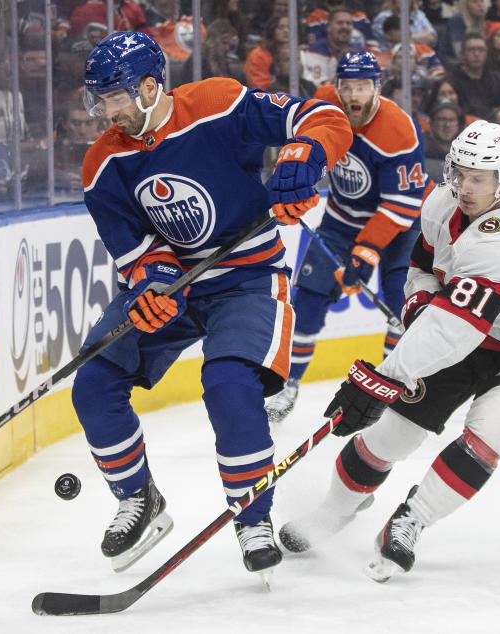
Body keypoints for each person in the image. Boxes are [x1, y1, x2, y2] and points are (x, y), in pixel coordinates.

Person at [74, 31, 352, 576]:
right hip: (180, 283)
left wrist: (306, 152)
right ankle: (138, 499)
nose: (108, 111)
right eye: (100, 100)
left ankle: (253, 518)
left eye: (117, 97)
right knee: (94, 382)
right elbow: (138, 250)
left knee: (229, 386)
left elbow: (319, 116)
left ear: (151, 86)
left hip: (248, 276)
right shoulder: (102, 164)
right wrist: (153, 283)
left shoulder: (218, 104)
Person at [278, 120, 500, 584]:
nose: (462, 185)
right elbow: (422, 266)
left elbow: (454, 330)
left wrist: (381, 378)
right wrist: (418, 299)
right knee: (390, 435)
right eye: (457, 172)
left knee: (493, 428)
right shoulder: (442, 202)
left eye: (477, 178)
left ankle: (412, 519)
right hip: (472, 330)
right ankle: (332, 511)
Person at [265, 52, 427, 424]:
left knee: (403, 307)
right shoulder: (324, 105)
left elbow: (402, 203)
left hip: (401, 225)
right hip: (341, 219)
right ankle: (287, 385)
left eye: (363, 87)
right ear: (337, 86)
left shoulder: (398, 129)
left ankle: (392, 387)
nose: (354, 96)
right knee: (305, 304)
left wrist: (366, 252)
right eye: (347, 87)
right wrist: (296, 181)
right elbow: (306, 150)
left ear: (378, 88)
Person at [446, 32, 500, 117]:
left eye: (480, 50)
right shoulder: (450, 83)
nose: (476, 54)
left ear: (486, 53)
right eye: (471, 50)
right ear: (462, 54)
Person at [301, 7, 365, 87]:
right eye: (339, 23)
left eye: (348, 23)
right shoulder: (316, 51)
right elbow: (319, 88)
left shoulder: (357, 53)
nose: (344, 27)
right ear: (328, 27)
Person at [244, 15, 289, 90]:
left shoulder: (297, 53)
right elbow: (260, 88)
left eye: (289, 27)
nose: (286, 31)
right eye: (281, 28)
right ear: (271, 30)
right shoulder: (258, 55)